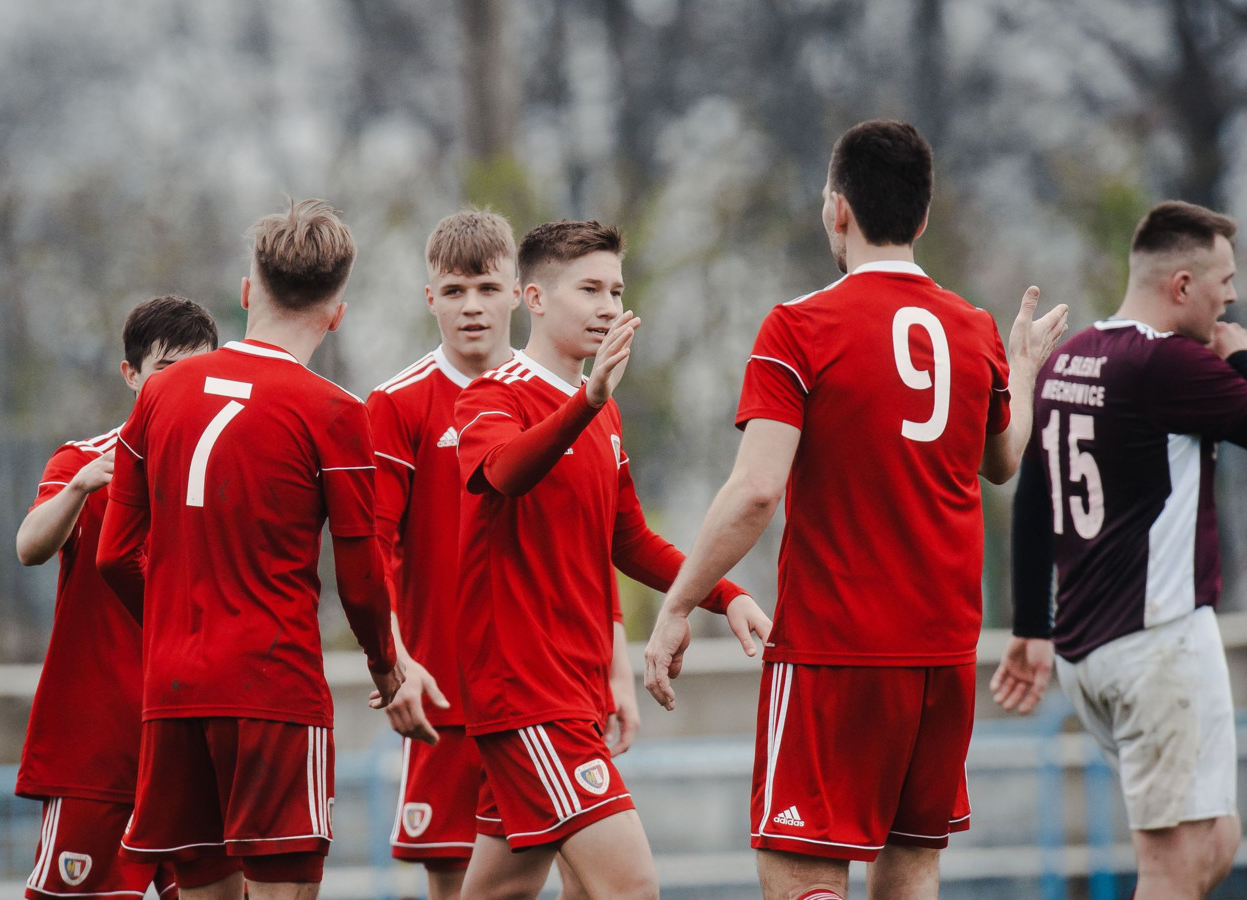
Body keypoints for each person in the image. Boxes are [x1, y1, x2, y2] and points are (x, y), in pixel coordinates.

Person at [643, 119, 1069, 900]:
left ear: (837, 209)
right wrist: (1022, 367)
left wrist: (677, 604)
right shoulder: (972, 328)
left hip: (834, 650)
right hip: (942, 654)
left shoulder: (798, 325)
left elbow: (756, 490)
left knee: (800, 868)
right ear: (923, 217)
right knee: (911, 865)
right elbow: (1002, 462)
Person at [452, 219, 771, 900]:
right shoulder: (493, 394)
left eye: (616, 291)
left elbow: (629, 541)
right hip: (525, 693)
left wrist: (726, 594)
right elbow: (504, 472)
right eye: (589, 289)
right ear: (534, 298)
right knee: (630, 887)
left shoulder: (605, 413)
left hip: (572, 690)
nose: (608, 306)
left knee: (500, 891)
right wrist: (586, 401)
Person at [95, 199, 404, 900]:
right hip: (272, 691)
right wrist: (385, 666)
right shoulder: (335, 412)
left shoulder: (160, 393)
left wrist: (177, 629)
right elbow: (360, 580)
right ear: (337, 314)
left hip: (173, 692)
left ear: (246, 291)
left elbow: (114, 555)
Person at [993, 200, 1247, 900]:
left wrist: (1032, 625)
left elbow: (1035, 495)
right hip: (1156, 646)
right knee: (1171, 869)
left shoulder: (1071, 356)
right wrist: (1238, 356)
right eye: (1225, 281)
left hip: (1090, 652)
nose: (1231, 298)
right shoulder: (1168, 365)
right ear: (1182, 285)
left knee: (1215, 843)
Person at [368, 210, 615, 899]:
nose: (471, 307)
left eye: (485, 288)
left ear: (517, 293)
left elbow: (595, 538)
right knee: (460, 883)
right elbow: (372, 549)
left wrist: (617, 664)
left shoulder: (562, 394)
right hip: (443, 692)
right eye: (454, 291)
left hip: (550, 684)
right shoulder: (395, 403)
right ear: (430, 299)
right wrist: (394, 660)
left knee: (588, 872)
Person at [15, 294, 217, 900]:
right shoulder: (85, 462)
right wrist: (79, 487)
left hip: (196, 748)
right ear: (131, 375)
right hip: (98, 749)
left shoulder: (226, 472)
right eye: (166, 371)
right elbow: (29, 547)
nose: (181, 387)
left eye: (197, 371)